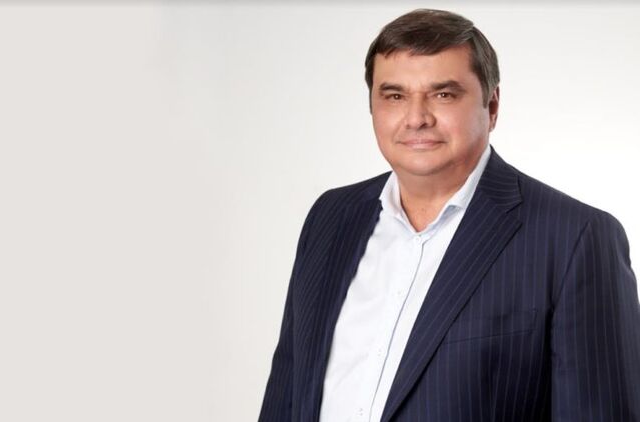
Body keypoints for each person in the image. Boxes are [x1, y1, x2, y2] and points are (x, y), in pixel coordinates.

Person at [258, 8, 640, 422]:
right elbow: (287, 394)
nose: (416, 118)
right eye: (395, 96)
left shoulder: (575, 238)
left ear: (492, 106)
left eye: (443, 95)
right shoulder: (331, 218)